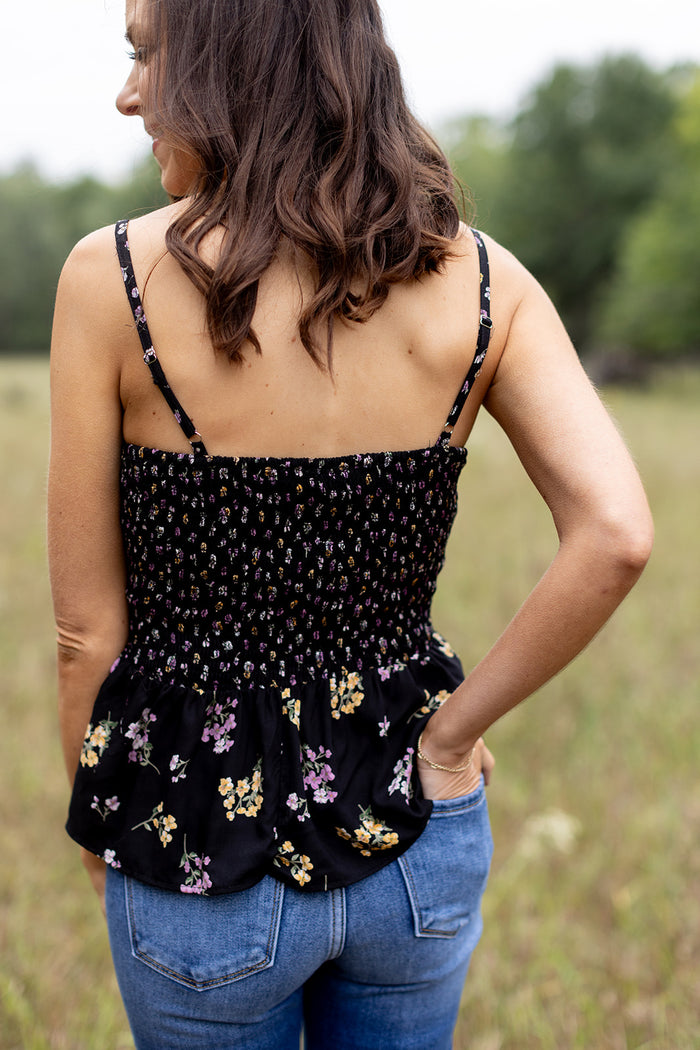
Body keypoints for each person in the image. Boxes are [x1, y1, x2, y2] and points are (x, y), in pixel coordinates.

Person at [48, 1, 653, 1047]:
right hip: (417, 832)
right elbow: (616, 532)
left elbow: (82, 635)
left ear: (228, 58)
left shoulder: (109, 280)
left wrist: (103, 817)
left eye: (148, 55)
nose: (130, 92)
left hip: (192, 827)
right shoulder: (482, 282)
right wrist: (455, 736)